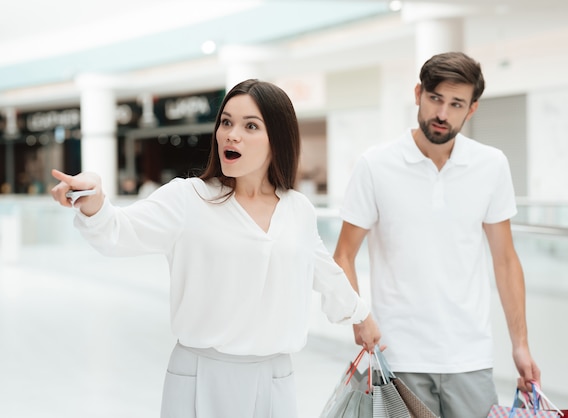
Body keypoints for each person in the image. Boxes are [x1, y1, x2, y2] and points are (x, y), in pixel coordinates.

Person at [50, 79, 381, 418]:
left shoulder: (298, 210)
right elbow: (118, 231)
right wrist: (95, 202)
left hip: (274, 378)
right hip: (199, 376)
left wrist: (361, 316)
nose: (231, 134)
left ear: (277, 139)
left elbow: (325, 273)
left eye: (250, 126)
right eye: (226, 122)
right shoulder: (189, 198)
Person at [333, 52, 540, 418]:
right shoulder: (375, 165)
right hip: (398, 357)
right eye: (435, 99)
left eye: (456, 103)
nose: (442, 113)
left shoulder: (491, 166)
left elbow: (505, 259)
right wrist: (358, 319)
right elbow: (344, 254)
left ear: (472, 109)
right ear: (418, 94)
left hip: (471, 357)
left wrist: (520, 345)